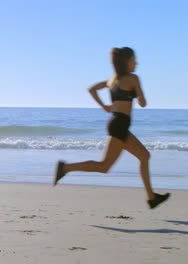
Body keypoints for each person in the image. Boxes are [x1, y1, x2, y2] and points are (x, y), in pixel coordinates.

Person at [54, 47, 170, 209]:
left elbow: (92, 89)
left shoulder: (111, 81)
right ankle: (65, 167)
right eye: (133, 60)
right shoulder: (133, 78)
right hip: (120, 125)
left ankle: (152, 197)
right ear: (126, 62)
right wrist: (139, 94)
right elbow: (143, 103)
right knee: (108, 165)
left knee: (135, 158)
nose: (136, 63)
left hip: (116, 123)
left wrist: (104, 106)